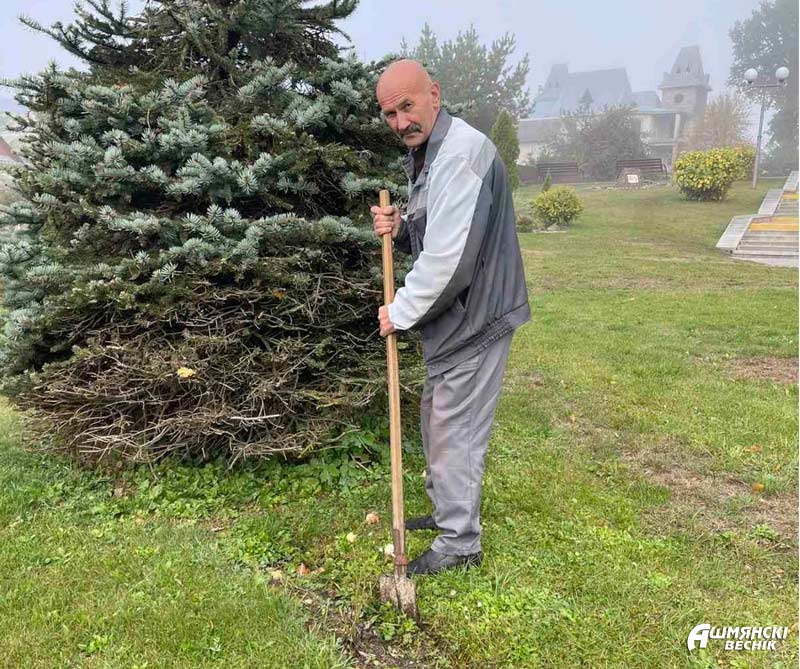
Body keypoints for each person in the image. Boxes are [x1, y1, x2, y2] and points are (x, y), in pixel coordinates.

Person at [371, 60, 530, 575]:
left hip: (476, 317)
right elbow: (438, 230)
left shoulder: (460, 155)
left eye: (407, 106)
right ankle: (448, 512)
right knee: (437, 418)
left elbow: (448, 261)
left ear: (434, 95)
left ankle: (460, 542)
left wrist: (400, 311)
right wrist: (400, 229)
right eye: (390, 114)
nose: (400, 122)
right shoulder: (431, 152)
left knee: (454, 429)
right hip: (457, 318)